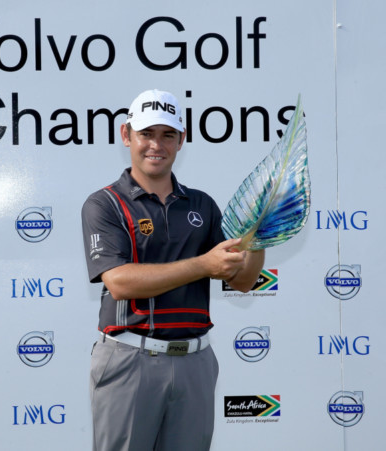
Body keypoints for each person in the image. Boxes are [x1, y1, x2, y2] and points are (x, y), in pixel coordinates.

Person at [81, 89, 265, 451]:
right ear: (126, 135)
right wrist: (202, 265)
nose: (156, 145)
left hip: (195, 361)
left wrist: (259, 237)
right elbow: (119, 282)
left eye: (168, 135)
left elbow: (243, 281)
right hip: (129, 360)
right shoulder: (104, 204)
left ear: (182, 140)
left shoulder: (202, 205)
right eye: (146, 134)